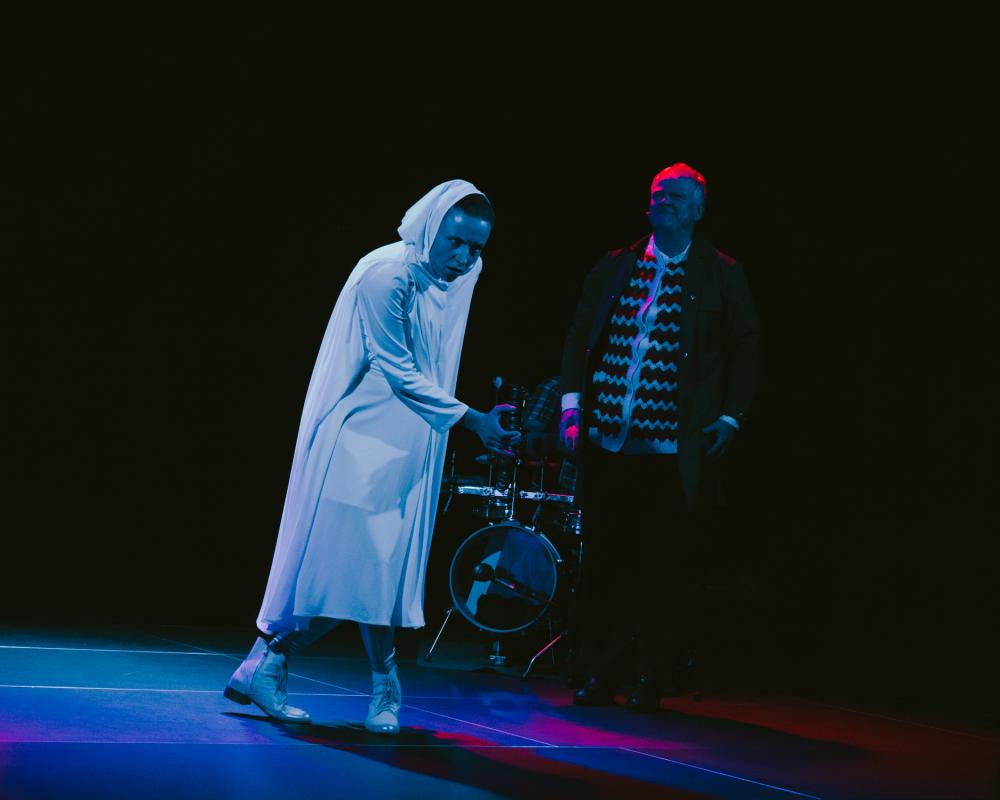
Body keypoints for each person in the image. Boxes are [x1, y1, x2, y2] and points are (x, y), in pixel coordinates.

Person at [224, 180, 519, 735]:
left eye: (477, 247)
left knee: (375, 569)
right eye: (456, 242)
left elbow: (438, 354)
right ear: (430, 228)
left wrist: (444, 427)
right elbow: (397, 367)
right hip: (359, 434)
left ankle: (265, 664)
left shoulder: (463, 273)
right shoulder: (387, 274)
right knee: (359, 566)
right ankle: (370, 681)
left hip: (410, 435)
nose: (465, 257)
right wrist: (471, 420)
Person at [559, 163, 762, 711]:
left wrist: (732, 417)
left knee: (659, 567)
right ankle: (599, 671)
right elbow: (580, 337)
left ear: (698, 209)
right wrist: (572, 408)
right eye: (657, 194)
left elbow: (747, 347)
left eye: (675, 195)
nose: (663, 201)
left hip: (671, 451)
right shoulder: (616, 265)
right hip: (610, 441)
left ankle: (651, 674)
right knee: (605, 562)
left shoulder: (721, 273)